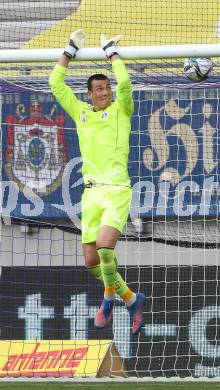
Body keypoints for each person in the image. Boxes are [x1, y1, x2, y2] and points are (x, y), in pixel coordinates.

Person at [49, 30, 145, 336]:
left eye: (107, 88)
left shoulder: (122, 110)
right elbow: (55, 84)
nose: (105, 93)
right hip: (91, 195)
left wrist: (112, 53)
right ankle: (130, 298)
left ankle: (107, 299)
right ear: (90, 94)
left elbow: (126, 84)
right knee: (91, 261)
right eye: (99, 89)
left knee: (105, 248)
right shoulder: (81, 114)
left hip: (117, 190)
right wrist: (70, 50)